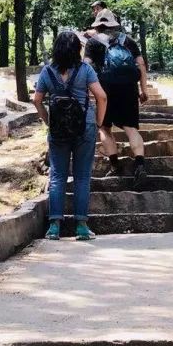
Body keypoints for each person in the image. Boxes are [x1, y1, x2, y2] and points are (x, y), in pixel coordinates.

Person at [33, 31, 108, 241]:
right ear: (77, 49)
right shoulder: (85, 70)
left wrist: (48, 120)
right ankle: (82, 227)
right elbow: (101, 96)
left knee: (57, 175)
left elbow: (37, 100)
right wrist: (99, 122)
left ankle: (54, 227)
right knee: (82, 176)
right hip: (85, 126)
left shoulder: (47, 72)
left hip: (58, 129)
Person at [87, 9, 150, 181]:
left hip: (105, 90)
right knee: (131, 128)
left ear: (98, 26)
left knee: (105, 128)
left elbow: (86, 66)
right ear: (114, 24)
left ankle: (115, 165)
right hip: (129, 89)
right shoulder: (128, 40)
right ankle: (140, 165)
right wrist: (143, 90)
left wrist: (88, 91)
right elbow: (141, 65)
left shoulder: (93, 43)